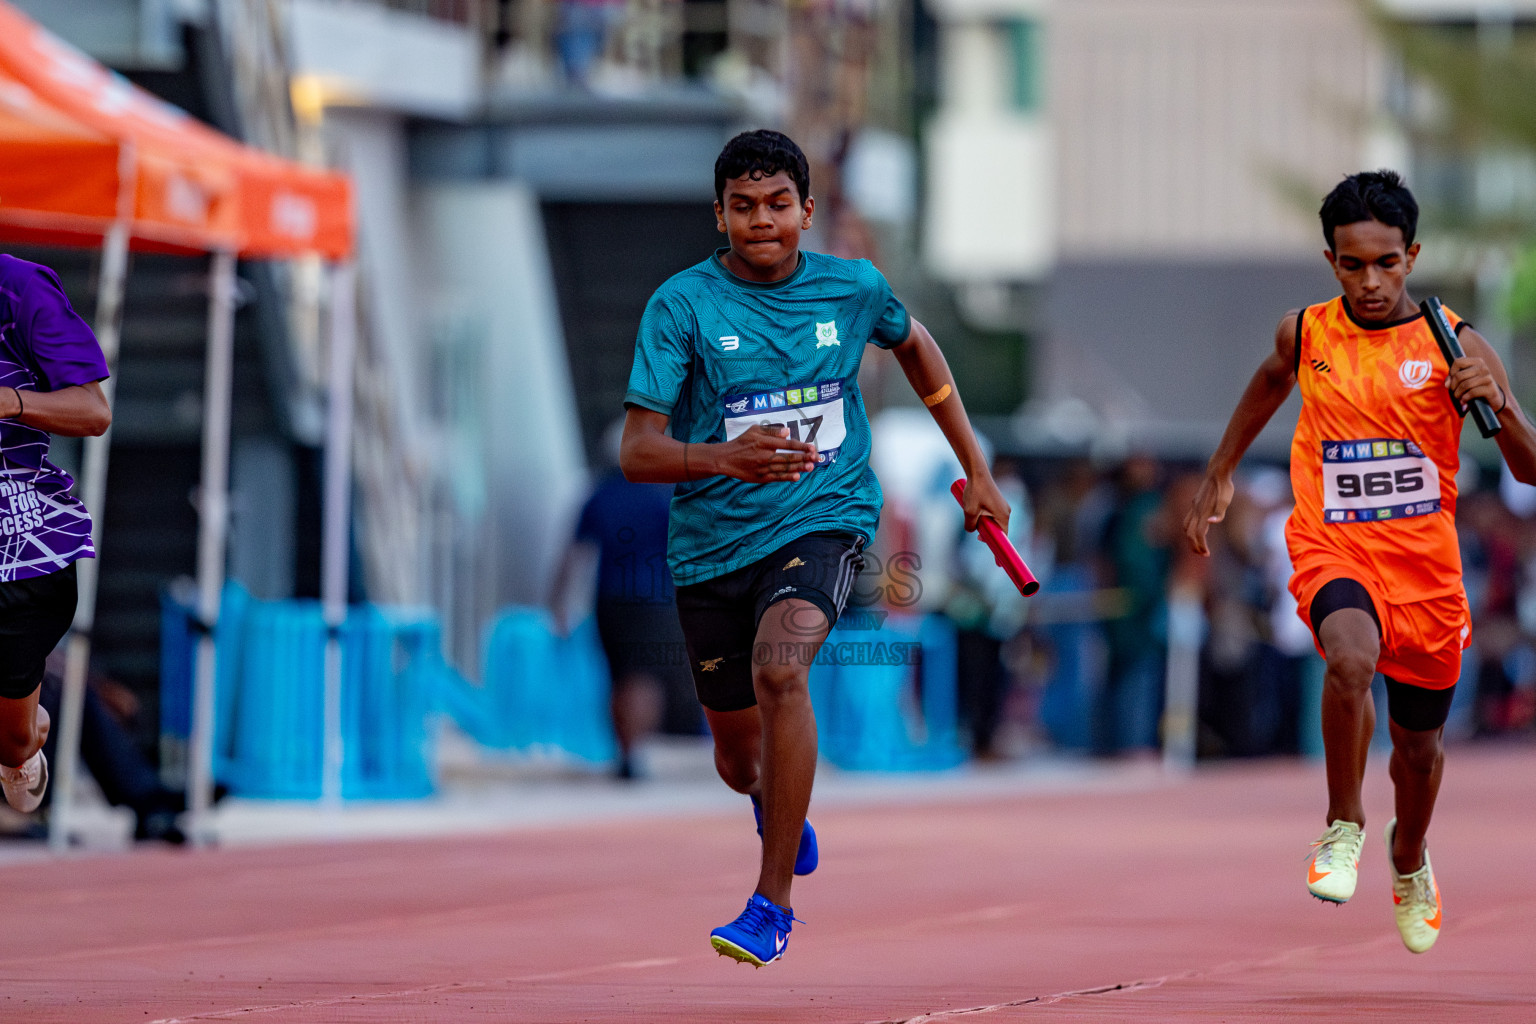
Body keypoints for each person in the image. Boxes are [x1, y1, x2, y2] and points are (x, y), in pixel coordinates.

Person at [620, 129, 1009, 966]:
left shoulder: (854, 289)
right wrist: (727, 455)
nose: (763, 222)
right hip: (710, 547)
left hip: (824, 519)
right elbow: (637, 452)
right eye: (744, 207)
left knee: (781, 668)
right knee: (733, 756)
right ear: (719, 216)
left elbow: (917, 347)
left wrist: (974, 467)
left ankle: (771, 905)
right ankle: (770, 801)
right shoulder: (680, 306)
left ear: (805, 211)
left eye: (778, 205)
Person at [1184, 171, 1536, 954]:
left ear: (1411, 255)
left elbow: (1529, 467)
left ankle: (1408, 854)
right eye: (1352, 265)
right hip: (1334, 544)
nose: (1370, 281)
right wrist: (1221, 468)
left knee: (1419, 751)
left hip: (1427, 573)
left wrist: (1501, 405)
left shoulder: (1455, 342)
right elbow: (1271, 383)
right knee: (1348, 660)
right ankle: (1343, 823)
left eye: (1385, 262)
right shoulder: (1305, 334)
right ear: (1330, 260)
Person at [0, 255, 112, 816]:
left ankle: (24, 739)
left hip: (23, 556)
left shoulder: (20, 287)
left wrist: (12, 402)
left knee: (12, 740)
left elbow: (94, 411)